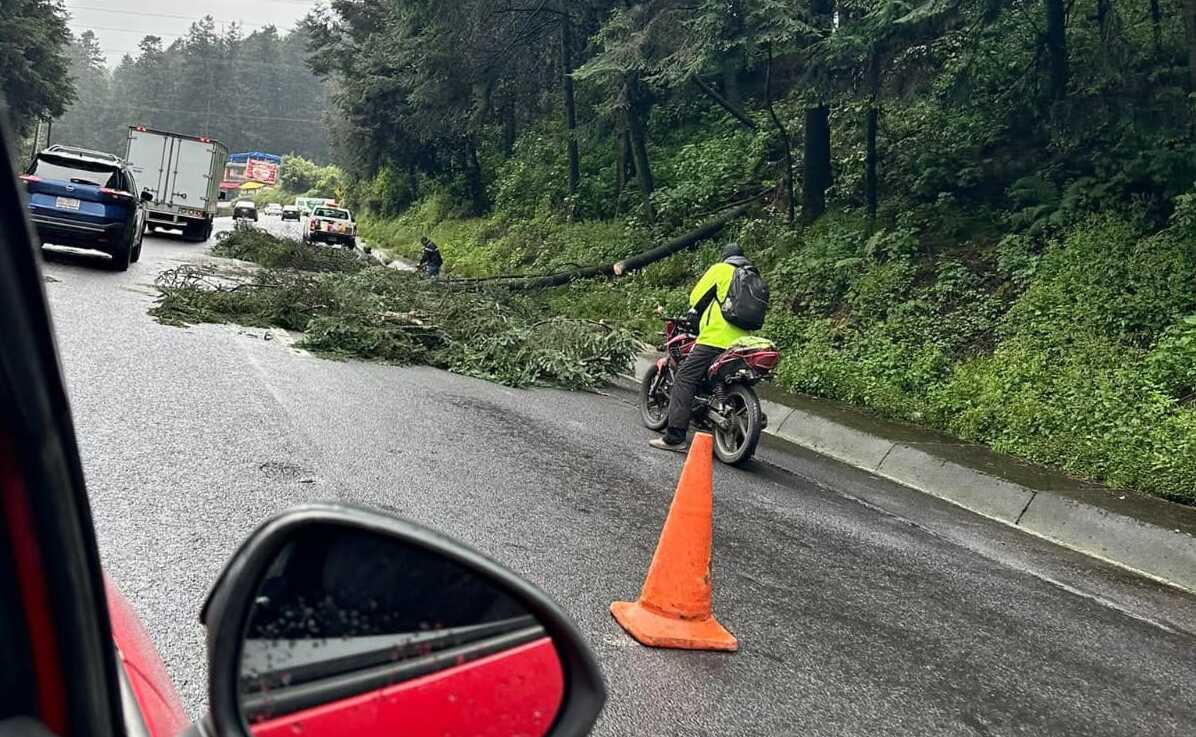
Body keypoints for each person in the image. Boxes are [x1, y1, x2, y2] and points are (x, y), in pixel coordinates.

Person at [649, 242, 754, 453]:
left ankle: (675, 437)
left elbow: (696, 297)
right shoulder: (752, 277)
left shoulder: (721, 270)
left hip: (714, 339)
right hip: (743, 343)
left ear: (725, 257)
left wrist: (695, 312)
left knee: (685, 378)